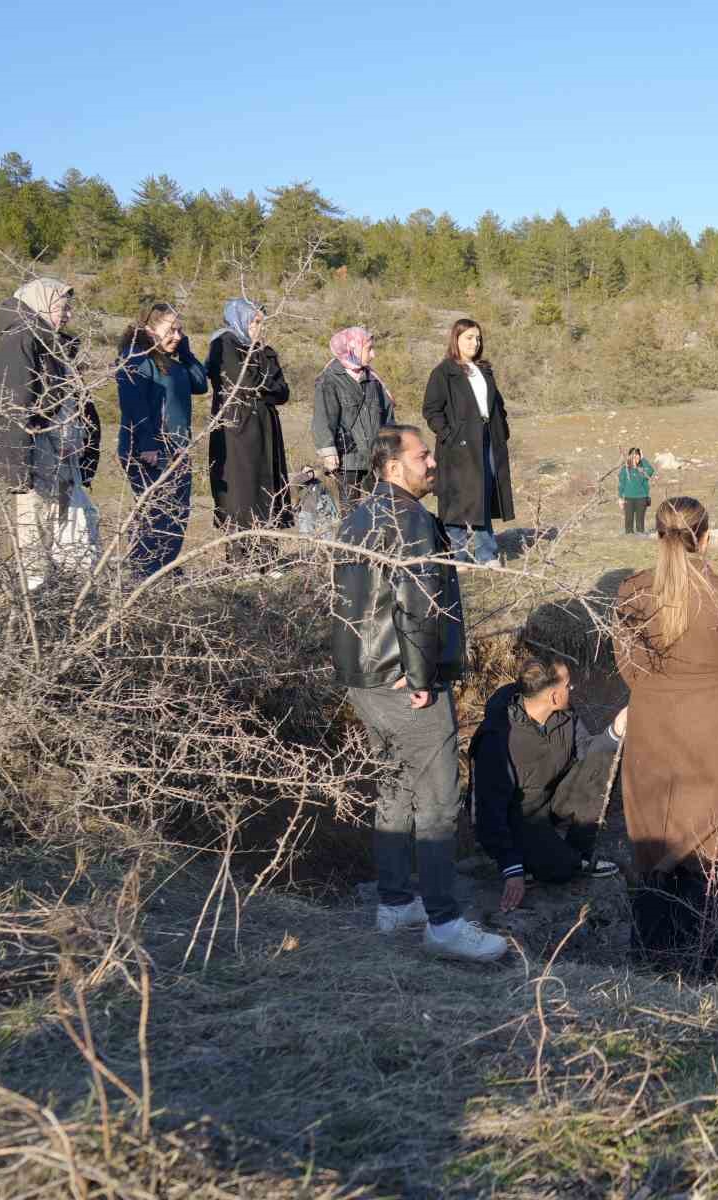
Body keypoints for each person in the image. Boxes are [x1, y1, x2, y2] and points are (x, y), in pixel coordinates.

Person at [332, 424, 506, 963]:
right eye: (422, 454)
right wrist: (422, 675)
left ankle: (395, 902)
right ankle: (445, 922)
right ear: (393, 466)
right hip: (405, 679)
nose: (432, 463)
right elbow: (418, 602)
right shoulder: (410, 519)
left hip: (364, 676)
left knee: (393, 787)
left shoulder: (357, 515)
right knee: (436, 798)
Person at [616, 496, 718, 972]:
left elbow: (629, 670)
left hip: (653, 735)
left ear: (658, 536)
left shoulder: (632, 593)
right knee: (710, 849)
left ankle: (651, 959)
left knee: (654, 844)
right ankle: (705, 962)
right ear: (704, 536)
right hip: (717, 735)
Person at [470, 654, 623, 914]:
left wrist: (615, 732)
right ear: (553, 696)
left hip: (550, 801)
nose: (571, 690)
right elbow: (488, 810)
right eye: (568, 686)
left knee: (602, 759)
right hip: (518, 817)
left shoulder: (564, 715)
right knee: (560, 870)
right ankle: (557, 861)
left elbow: (586, 753)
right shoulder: (498, 737)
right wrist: (511, 868)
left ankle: (579, 855)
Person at [0, 277, 100, 590]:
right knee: (36, 545)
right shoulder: (21, 339)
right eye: (62, 307)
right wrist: (17, 471)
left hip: (65, 459)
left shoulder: (53, 343)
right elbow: (12, 405)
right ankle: (37, 618)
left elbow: (75, 402)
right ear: (40, 304)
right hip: (37, 460)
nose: (68, 315)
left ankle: (74, 609)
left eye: (69, 308)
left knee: (78, 539)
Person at [116, 303, 207, 575]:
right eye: (170, 330)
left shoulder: (172, 360)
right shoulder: (136, 358)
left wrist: (187, 351)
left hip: (177, 448)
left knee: (177, 514)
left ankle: (165, 569)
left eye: (180, 330)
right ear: (149, 330)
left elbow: (200, 384)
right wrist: (147, 444)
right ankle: (144, 572)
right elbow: (134, 404)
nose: (177, 336)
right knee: (156, 514)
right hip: (151, 448)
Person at [205, 299, 291, 574]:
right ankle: (241, 563)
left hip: (266, 427)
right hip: (235, 428)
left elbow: (283, 392)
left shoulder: (264, 351)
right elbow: (245, 382)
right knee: (240, 494)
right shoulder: (225, 343)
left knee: (267, 486)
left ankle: (266, 558)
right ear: (241, 320)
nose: (258, 328)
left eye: (261, 322)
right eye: (254, 322)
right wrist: (264, 382)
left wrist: (262, 378)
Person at [422, 318, 514, 565]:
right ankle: (457, 556)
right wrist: (449, 435)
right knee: (456, 500)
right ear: (456, 339)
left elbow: (498, 405)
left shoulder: (484, 370)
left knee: (483, 494)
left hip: (487, 440)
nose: (475, 342)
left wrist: (501, 431)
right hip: (457, 446)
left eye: (478, 337)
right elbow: (431, 410)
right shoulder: (444, 372)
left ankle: (487, 554)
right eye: (469, 337)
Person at [313, 327, 395, 514]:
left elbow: (388, 418)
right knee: (350, 516)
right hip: (347, 462)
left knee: (383, 514)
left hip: (376, 460)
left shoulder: (373, 380)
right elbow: (323, 418)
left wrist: (392, 449)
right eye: (369, 349)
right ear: (352, 348)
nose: (373, 354)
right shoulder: (330, 380)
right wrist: (328, 452)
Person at [618, 447, 656, 535]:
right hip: (628, 499)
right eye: (633, 456)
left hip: (641, 499)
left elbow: (651, 470)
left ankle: (640, 539)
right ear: (629, 457)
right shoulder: (625, 469)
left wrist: (643, 458)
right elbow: (621, 484)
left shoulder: (643, 470)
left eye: (637, 456)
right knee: (628, 523)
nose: (635, 458)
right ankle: (629, 540)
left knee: (640, 523)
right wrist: (620, 498)